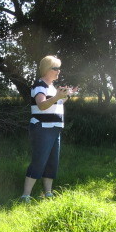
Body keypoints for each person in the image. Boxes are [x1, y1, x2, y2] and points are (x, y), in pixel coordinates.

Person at [21, 55, 77, 202]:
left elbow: (55, 103)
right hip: (42, 128)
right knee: (39, 160)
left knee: (52, 162)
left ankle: (48, 193)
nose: (59, 71)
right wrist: (57, 97)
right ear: (47, 69)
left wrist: (67, 95)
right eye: (55, 68)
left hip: (54, 128)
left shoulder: (51, 87)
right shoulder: (40, 85)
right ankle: (25, 195)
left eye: (59, 68)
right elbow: (42, 104)